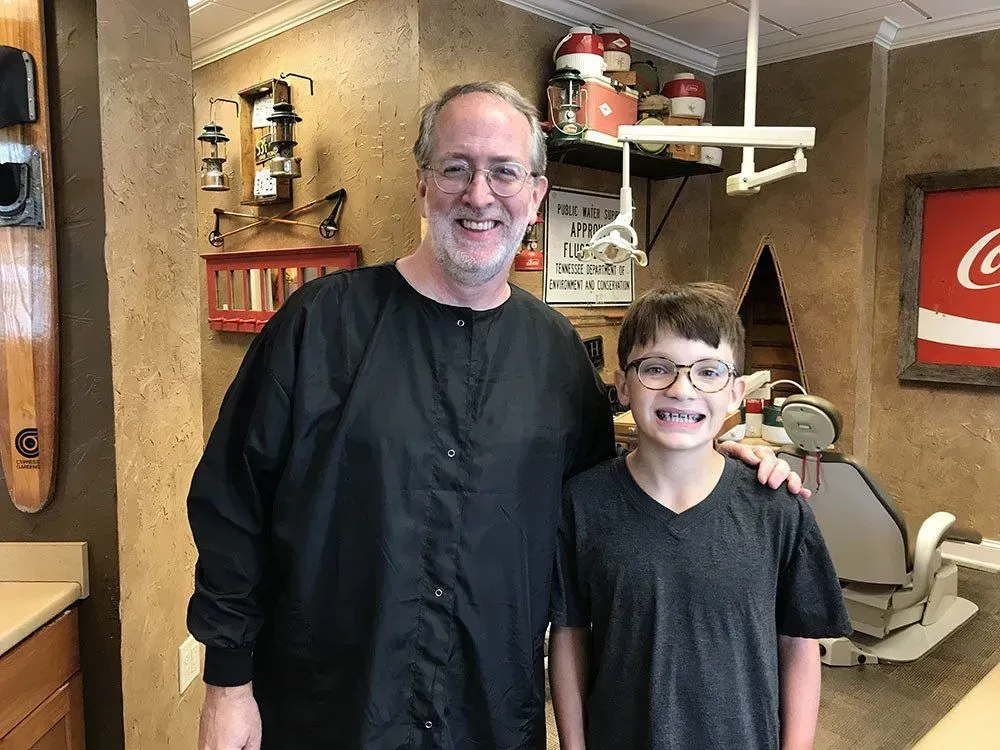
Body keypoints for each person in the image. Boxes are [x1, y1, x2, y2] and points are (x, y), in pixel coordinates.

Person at [187, 82, 808, 750]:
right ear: (422, 185)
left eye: (505, 172)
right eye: (456, 168)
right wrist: (227, 684)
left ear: (535, 196)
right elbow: (232, 505)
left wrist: (718, 462)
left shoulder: (557, 357)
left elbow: (608, 511)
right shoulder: (318, 327)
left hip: (488, 717)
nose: (480, 195)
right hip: (329, 710)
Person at [549, 282, 851, 750]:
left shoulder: (777, 508)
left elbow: (798, 646)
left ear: (734, 393)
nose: (681, 388)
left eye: (707, 372)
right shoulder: (582, 506)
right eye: (656, 369)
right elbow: (570, 637)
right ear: (623, 387)